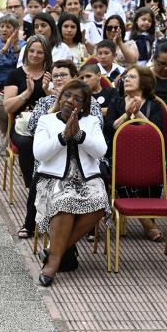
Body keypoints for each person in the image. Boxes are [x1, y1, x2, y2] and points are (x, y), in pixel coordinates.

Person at [33, 80, 108, 286]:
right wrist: (63, 136)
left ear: (83, 105)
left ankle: (51, 250)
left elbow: (101, 151)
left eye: (77, 99)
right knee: (65, 201)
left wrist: (79, 135)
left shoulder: (91, 121)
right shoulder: (46, 121)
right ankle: (54, 262)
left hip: (87, 178)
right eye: (67, 95)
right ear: (60, 97)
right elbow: (39, 154)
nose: (70, 101)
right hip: (54, 178)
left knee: (100, 203)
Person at [3, 34, 52, 237]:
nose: (35, 55)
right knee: (26, 143)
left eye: (40, 52)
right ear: (26, 52)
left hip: (47, 124)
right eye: (32, 51)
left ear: (46, 54)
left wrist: (48, 91)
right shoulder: (15, 75)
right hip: (23, 124)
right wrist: (27, 93)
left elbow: (62, 99)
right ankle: (32, 184)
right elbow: (7, 106)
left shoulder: (51, 73)